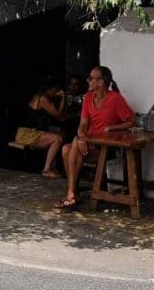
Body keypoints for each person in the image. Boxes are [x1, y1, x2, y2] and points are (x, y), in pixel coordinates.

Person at [54, 66, 135, 210]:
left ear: (101, 82)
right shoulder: (88, 98)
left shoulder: (115, 99)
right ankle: (73, 193)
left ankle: (72, 195)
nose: (88, 81)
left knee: (72, 146)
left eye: (91, 78)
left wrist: (112, 128)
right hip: (89, 143)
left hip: (106, 147)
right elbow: (83, 125)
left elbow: (131, 121)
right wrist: (82, 137)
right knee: (67, 148)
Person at [14, 86, 65, 178]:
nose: (56, 92)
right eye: (55, 90)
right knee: (58, 139)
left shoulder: (39, 97)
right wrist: (63, 99)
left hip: (25, 133)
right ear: (49, 89)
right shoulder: (42, 99)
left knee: (58, 135)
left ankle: (52, 167)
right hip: (26, 134)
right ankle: (47, 169)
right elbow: (57, 114)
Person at [61, 74, 86, 142]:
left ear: (80, 86)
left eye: (76, 84)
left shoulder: (84, 97)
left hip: (80, 127)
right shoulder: (64, 96)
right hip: (67, 127)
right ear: (68, 85)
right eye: (71, 84)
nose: (73, 87)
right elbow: (62, 114)